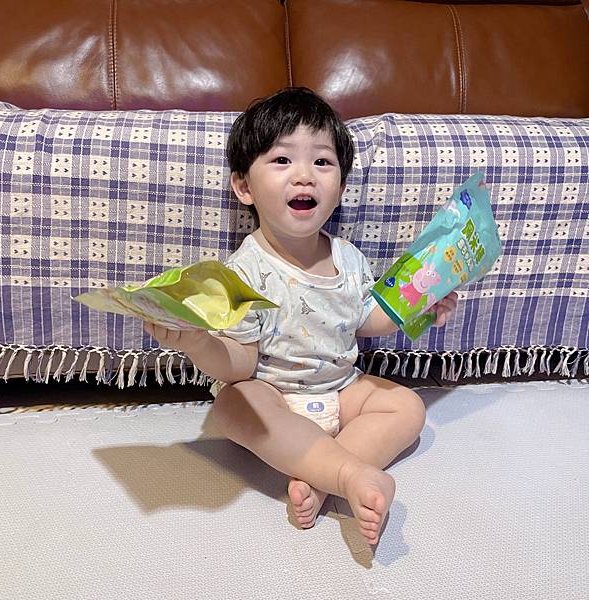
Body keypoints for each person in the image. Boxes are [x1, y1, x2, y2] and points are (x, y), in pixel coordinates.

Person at [144, 87, 458, 546]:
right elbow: (241, 364)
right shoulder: (245, 271)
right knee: (233, 404)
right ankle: (347, 474)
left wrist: (419, 310)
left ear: (341, 189)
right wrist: (197, 343)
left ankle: (320, 477)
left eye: (322, 162)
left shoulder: (349, 258)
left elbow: (366, 320)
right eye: (282, 160)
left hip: (342, 391)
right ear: (244, 187)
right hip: (274, 395)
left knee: (407, 407)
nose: (305, 176)